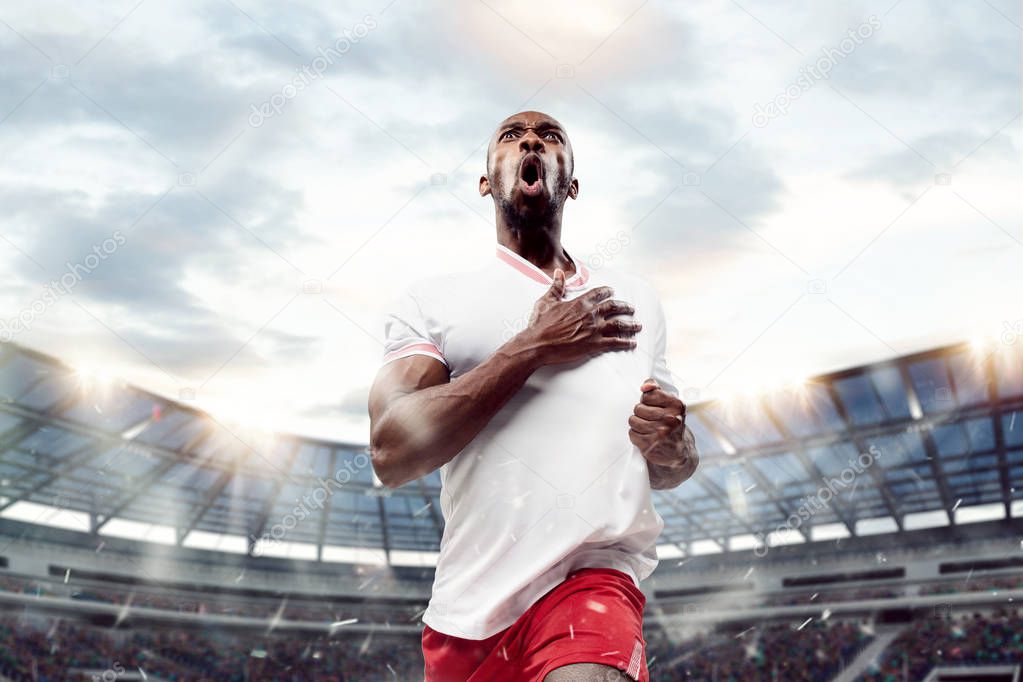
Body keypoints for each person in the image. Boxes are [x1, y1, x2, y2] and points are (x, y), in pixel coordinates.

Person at [368, 111, 699, 681]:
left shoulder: (636, 299)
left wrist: (672, 444)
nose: (530, 140)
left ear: (570, 183)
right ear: (485, 180)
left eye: (550, 137)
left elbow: (674, 463)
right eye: (511, 135)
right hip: (468, 614)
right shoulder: (433, 301)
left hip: (592, 581)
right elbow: (391, 453)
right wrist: (531, 347)